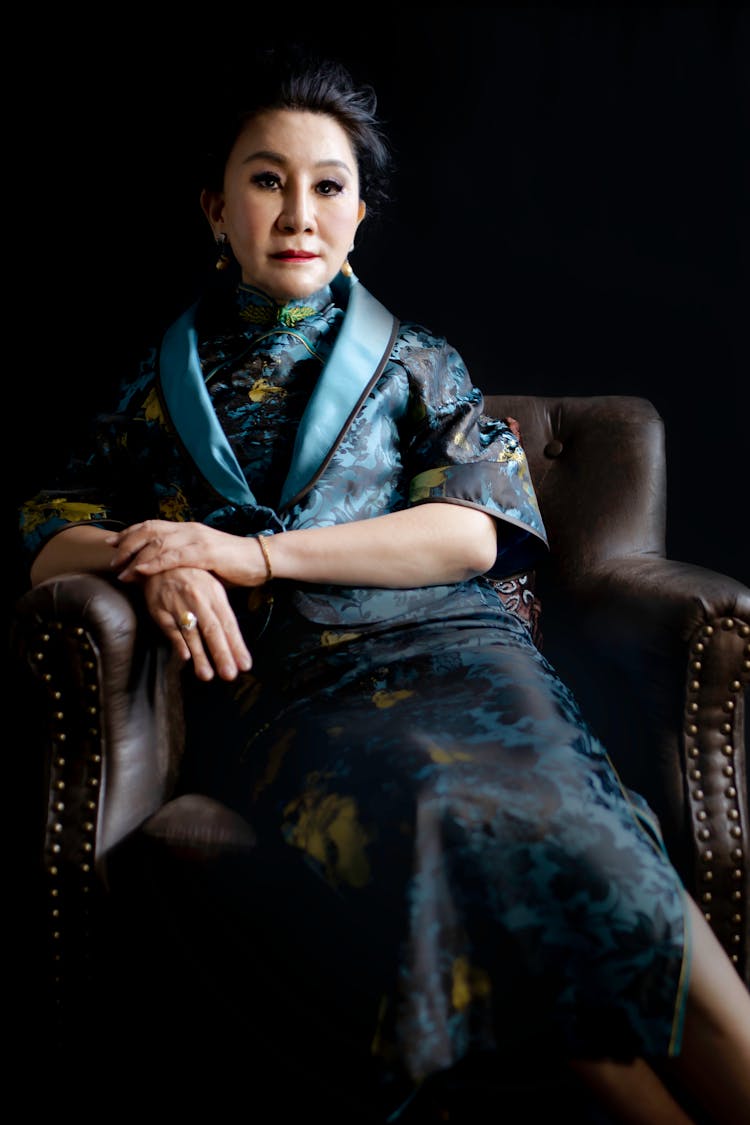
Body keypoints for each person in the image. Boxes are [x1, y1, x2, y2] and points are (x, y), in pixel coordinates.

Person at [19, 44, 750, 1124]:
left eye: (327, 186)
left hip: (463, 659)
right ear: (216, 209)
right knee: (444, 816)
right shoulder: (154, 386)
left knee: (573, 824)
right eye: (267, 180)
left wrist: (248, 554)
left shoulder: (419, 361)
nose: (297, 210)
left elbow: (467, 534)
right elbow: (47, 537)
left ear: (359, 217)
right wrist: (158, 552)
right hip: (295, 701)